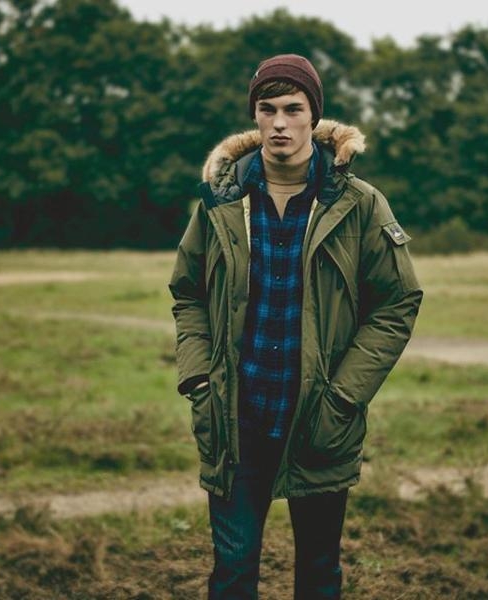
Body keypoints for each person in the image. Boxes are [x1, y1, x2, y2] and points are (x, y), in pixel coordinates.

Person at [169, 53, 423, 600]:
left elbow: (397, 303)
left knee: (318, 574)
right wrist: (199, 378)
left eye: (293, 109)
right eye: (268, 110)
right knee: (232, 574)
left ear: (314, 117)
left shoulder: (358, 203)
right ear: (254, 116)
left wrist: (344, 396)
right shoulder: (220, 200)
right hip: (234, 418)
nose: (280, 123)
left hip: (319, 419)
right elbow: (187, 291)